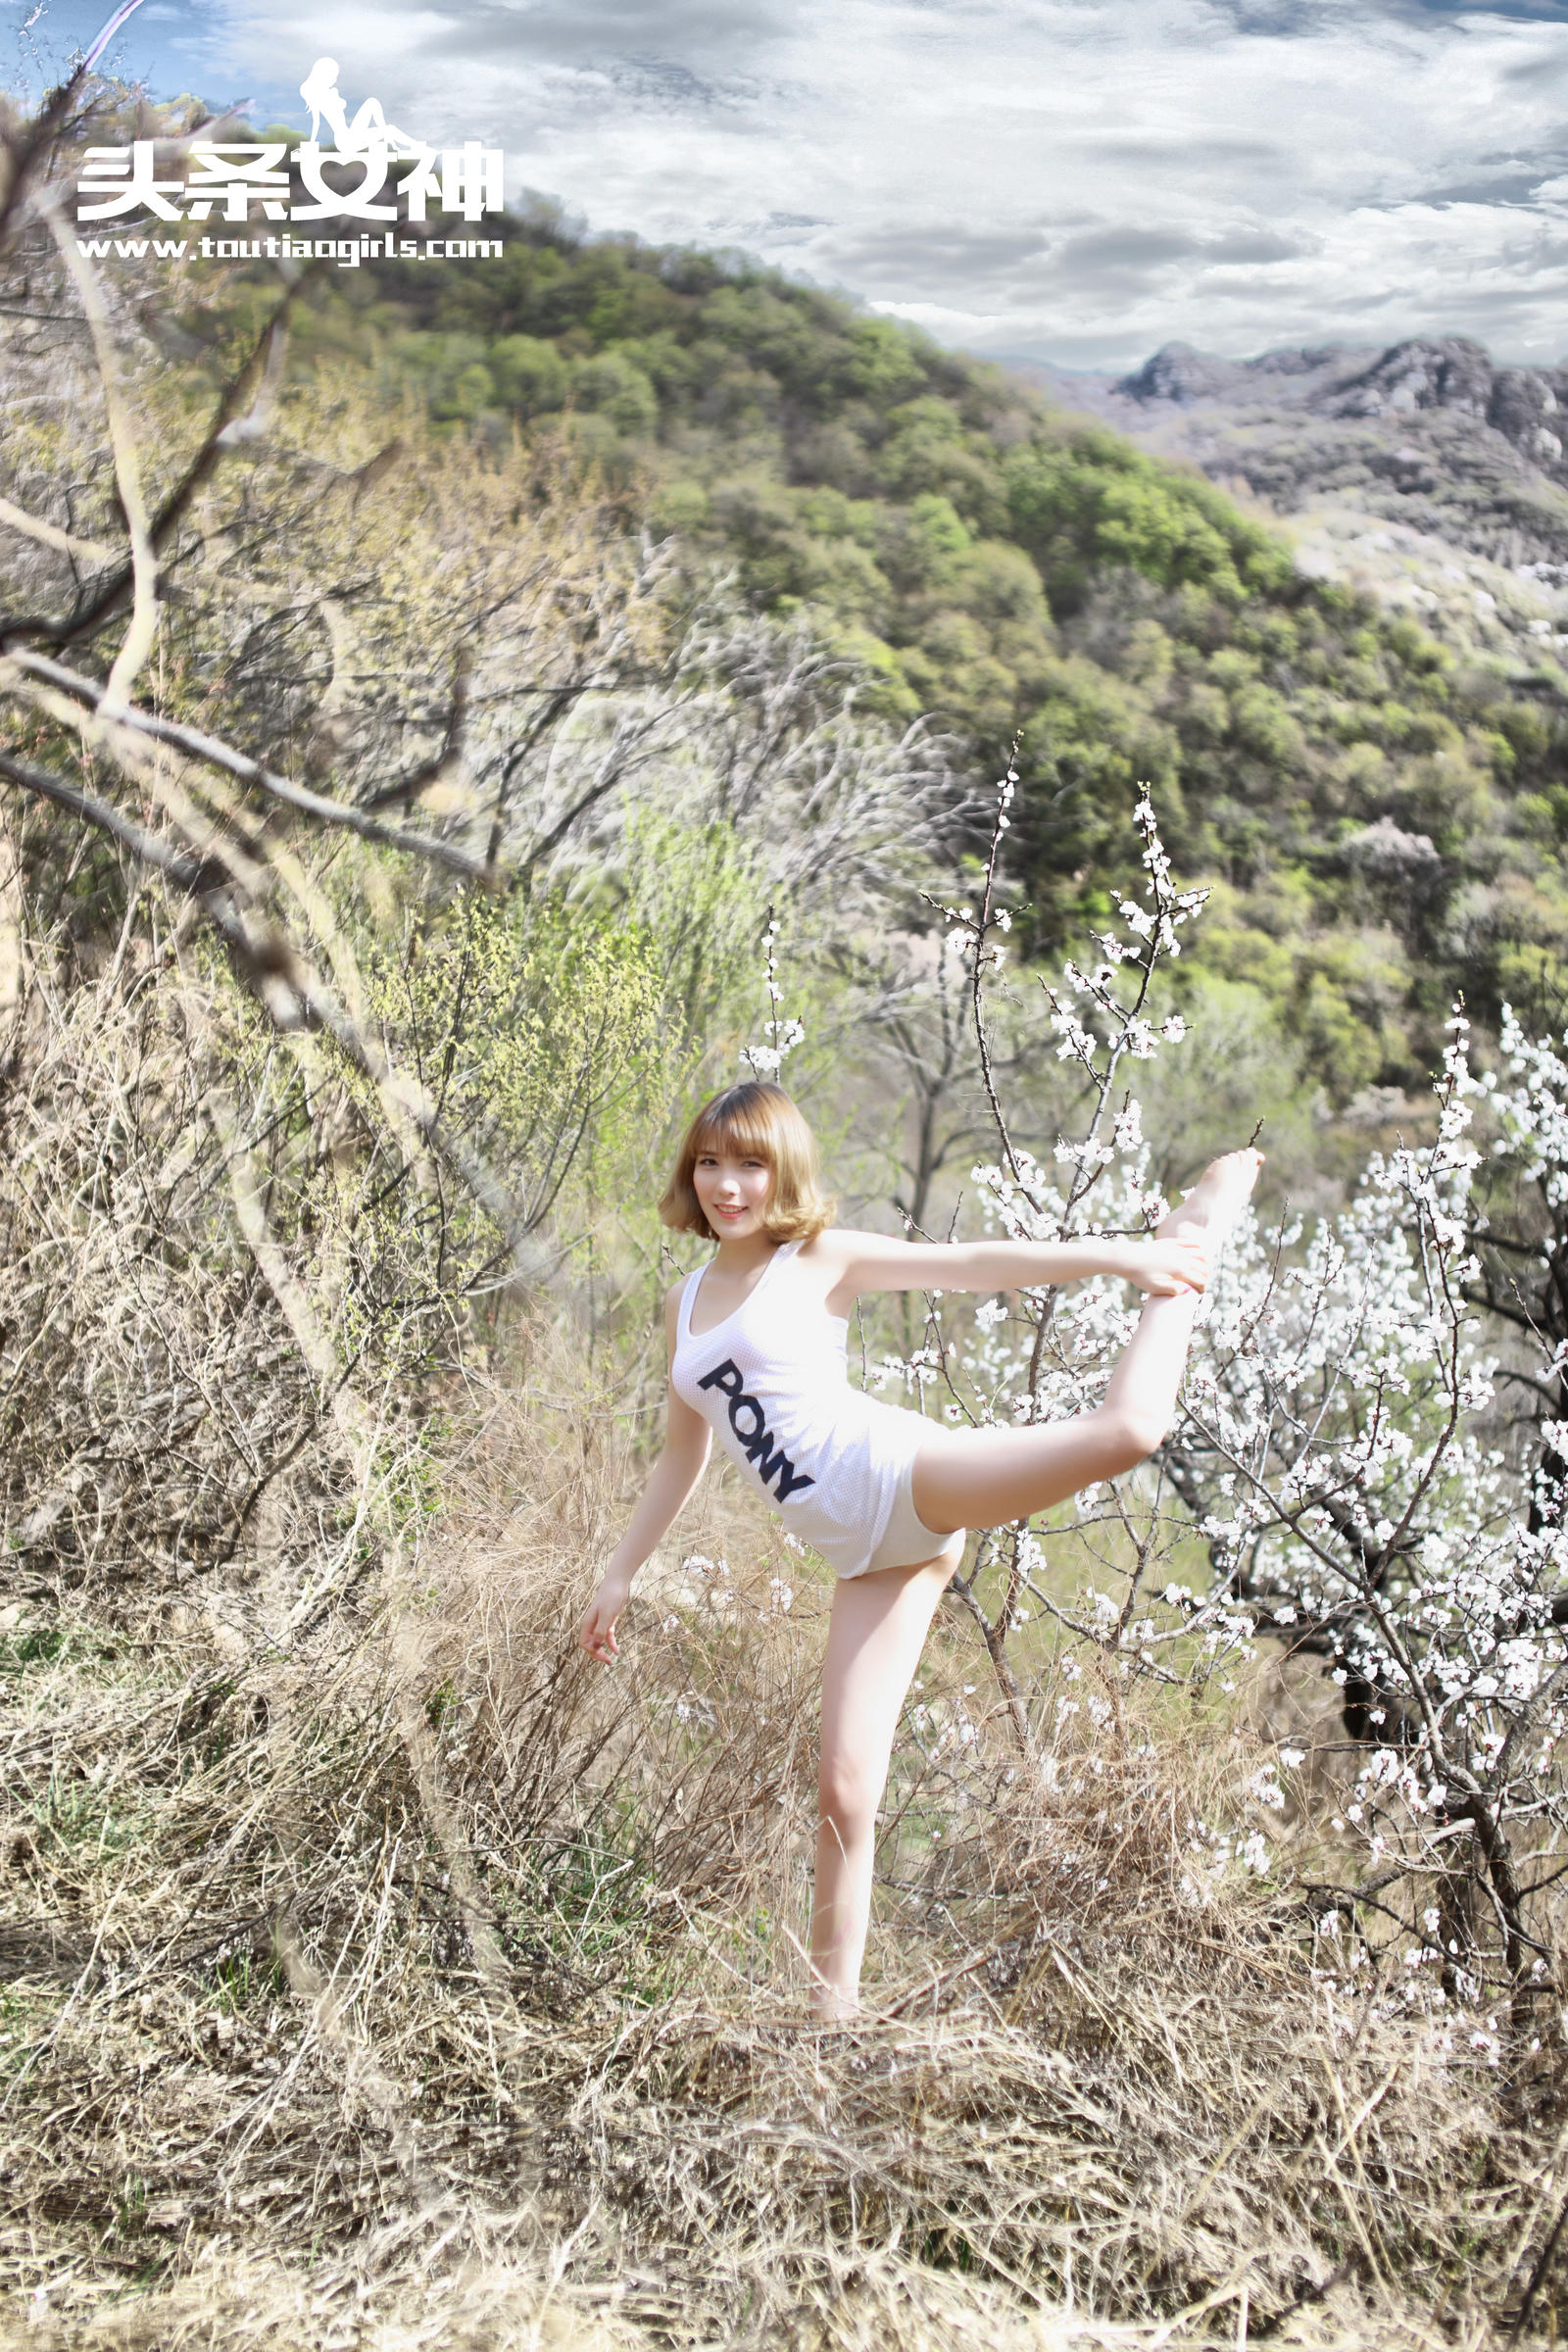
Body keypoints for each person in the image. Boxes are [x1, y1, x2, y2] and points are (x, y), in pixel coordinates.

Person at [577, 1081, 1261, 2020]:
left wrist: (1128, 1257)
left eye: (750, 1165)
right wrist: (621, 1572)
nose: (727, 1186)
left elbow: (971, 1265)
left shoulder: (818, 1258)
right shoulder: (681, 1304)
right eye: (709, 1163)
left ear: (783, 1173)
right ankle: (832, 2026)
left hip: (900, 1476)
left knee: (1131, 1430)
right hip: (864, 1557)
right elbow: (679, 1457)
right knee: (843, 1791)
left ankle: (1190, 1242)